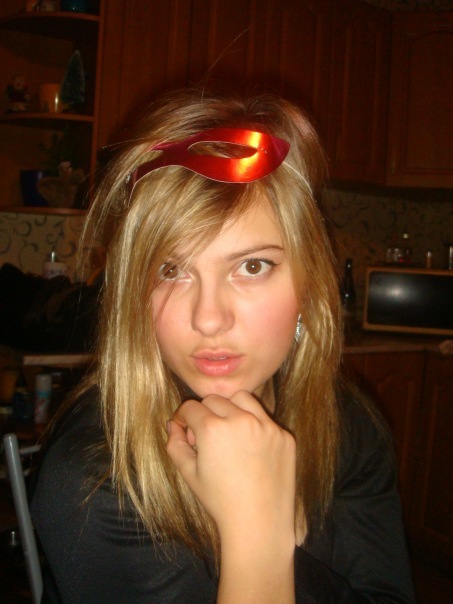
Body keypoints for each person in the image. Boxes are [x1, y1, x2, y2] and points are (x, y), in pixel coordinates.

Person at [30, 89, 415, 603]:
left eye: (252, 266)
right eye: (171, 270)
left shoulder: (350, 426)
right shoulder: (97, 479)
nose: (209, 318)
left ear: (309, 282)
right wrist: (258, 530)